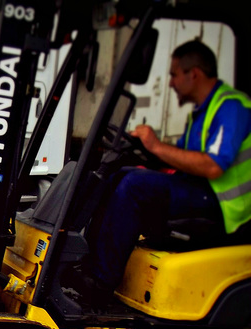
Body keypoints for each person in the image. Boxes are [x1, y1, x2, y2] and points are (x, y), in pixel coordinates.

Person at [80, 39, 251, 304]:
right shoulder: (203, 111)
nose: (170, 82)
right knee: (118, 175)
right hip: (200, 190)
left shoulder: (231, 107)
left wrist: (157, 146)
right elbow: (181, 160)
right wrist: (144, 150)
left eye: (173, 75)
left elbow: (213, 165)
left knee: (134, 185)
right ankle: (86, 263)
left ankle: (101, 282)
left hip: (224, 207)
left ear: (193, 74)